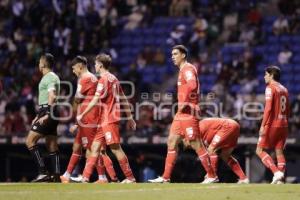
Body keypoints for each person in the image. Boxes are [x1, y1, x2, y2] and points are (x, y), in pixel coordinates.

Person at [148, 45, 217, 184]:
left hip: (189, 112)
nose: (172, 56)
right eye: (172, 54)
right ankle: (165, 177)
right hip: (181, 114)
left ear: (183, 55)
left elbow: (192, 85)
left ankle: (211, 175)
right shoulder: (182, 70)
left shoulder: (188, 68)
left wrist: (184, 102)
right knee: (172, 142)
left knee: (196, 144)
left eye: (175, 54)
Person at [73, 53, 136, 183]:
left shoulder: (103, 79)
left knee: (115, 148)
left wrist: (83, 113)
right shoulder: (114, 78)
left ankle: (130, 178)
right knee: (95, 148)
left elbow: (96, 99)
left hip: (109, 119)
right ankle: (85, 178)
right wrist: (130, 117)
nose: (94, 66)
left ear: (100, 65)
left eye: (96, 64)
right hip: (105, 120)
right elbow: (124, 98)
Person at [60, 56, 117, 183]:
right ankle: (67, 175)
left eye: (74, 68)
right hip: (86, 117)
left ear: (80, 66)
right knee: (77, 147)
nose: (73, 71)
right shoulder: (91, 77)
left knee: (93, 149)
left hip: (89, 117)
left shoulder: (84, 79)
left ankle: (104, 177)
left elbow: (77, 99)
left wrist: (75, 105)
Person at [25, 53, 61, 182]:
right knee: (51, 144)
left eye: (40, 61)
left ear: (44, 64)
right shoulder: (52, 77)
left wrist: (46, 113)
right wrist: (38, 114)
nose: (38, 64)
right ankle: (56, 176)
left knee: (30, 141)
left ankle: (43, 172)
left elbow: (52, 96)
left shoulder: (49, 77)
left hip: (48, 111)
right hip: (50, 111)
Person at [256, 66, 289, 184]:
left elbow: (268, 108)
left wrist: (262, 125)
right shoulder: (284, 89)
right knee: (279, 151)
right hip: (284, 124)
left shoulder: (270, 88)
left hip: (273, 124)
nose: (264, 76)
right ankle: (280, 180)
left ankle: (276, 172)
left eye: (266, 74)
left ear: (271, 75)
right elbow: (287, 110)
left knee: (259, 150)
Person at [193, 118, 249, 183]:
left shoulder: (198, 130)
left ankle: (212, 177)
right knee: (225, 155)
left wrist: (210, 173)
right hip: (234, 126)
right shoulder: (201, 132)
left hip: (228, 126)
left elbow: (211, 151)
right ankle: (243, 178)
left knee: (211, 150)